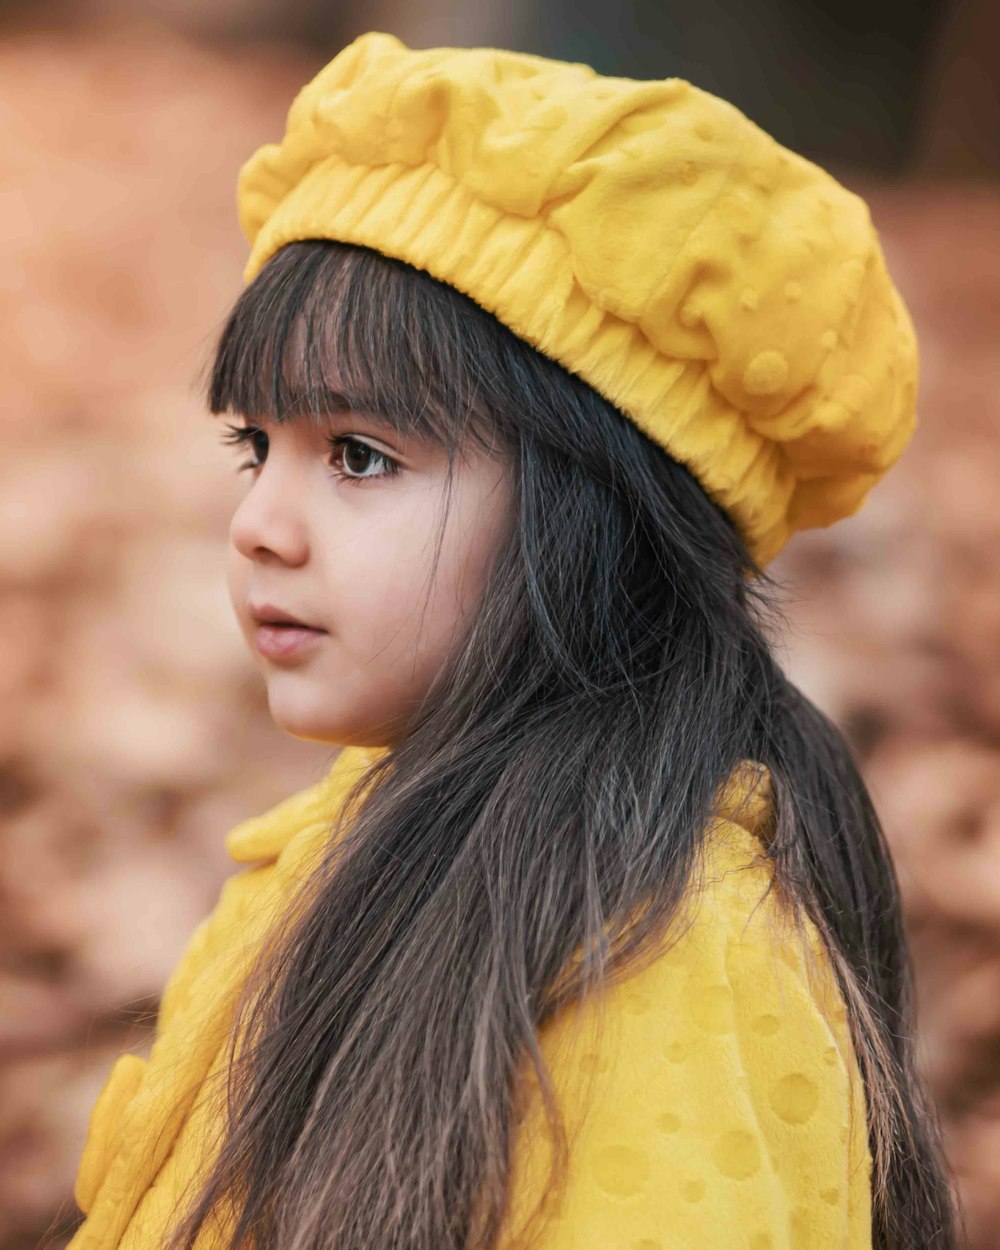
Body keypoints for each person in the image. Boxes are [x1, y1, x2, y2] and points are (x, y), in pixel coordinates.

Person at [67, 30, 960, 1250]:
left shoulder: (664, 957)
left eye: (360, 456)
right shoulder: (376, 830)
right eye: (255, 447)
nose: (260, 525)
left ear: (594, 514)